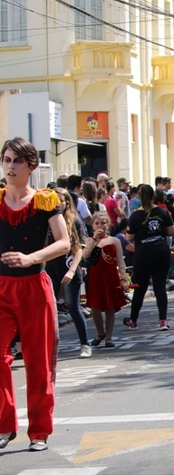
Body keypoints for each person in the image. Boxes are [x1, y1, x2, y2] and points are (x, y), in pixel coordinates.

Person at [0, 137, 70, 452]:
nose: (10, 166)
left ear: (31, 166)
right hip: (1, 287)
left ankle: (39, 431)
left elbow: (64, 242)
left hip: (33, 287)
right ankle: (4, 425)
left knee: (38, 362)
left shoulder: (44, 200)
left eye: (17, 161)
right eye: (6, 159)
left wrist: (31, 258)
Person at [46, 187, 92, 358]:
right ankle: (48, 346)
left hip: (69, 267)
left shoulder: (75, 222)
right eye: (55, 200)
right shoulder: (47, 220)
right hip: (51, 269)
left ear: (67, 203)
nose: (58, 204)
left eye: (61, 200)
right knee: (48, 309)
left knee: (73, 307)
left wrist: (72, 271)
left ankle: (85, 344)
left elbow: (79, 249)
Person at [124, 184, 174, 330]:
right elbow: (171, 231)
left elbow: (129, 237)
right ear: (154, 196)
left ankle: (133, 320)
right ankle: (163, 320)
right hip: (161, 251)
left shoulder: (135, 216)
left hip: (143, 253)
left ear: (139, 197)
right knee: (160, 287)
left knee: (140, 288)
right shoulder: (162, 212)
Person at [83, 213, 127, 348]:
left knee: (110, 307)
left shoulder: (114, 240)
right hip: (95, 276)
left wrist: (123, 279)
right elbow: (86, 255)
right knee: (95, 306)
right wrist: (94, 240)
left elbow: (120, 261)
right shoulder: (89, 240)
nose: (100, 226)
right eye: (97, 223)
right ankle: (100, 333)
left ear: (108, 224)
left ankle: (108, 337)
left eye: (103, 223)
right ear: (92, 226)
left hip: (110, 275)